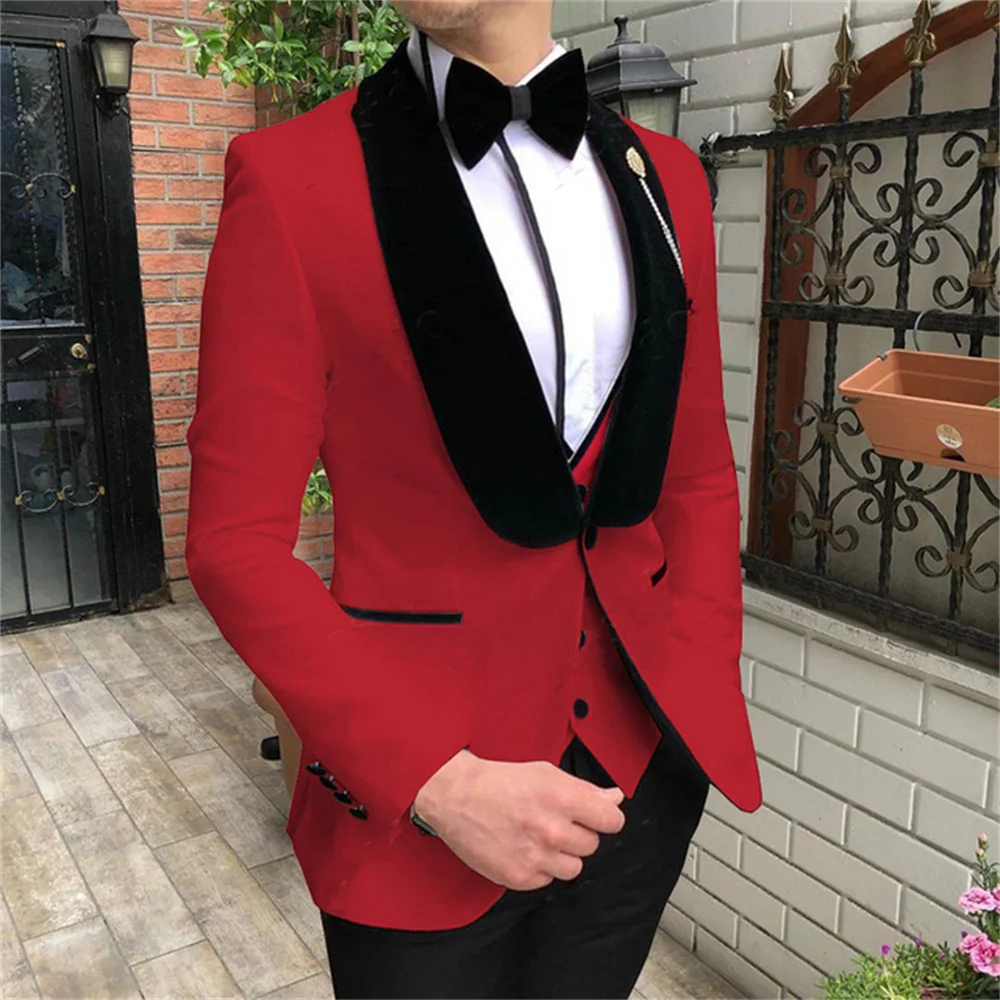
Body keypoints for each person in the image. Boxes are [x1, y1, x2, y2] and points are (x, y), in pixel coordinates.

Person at [184, 1, 762, 997]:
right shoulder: (291, 178)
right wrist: (433, 780)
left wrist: (696, 685)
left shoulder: (667, 178)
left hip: (641, 780)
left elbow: (697, 474)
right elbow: (234, 543)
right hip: (418, 810)